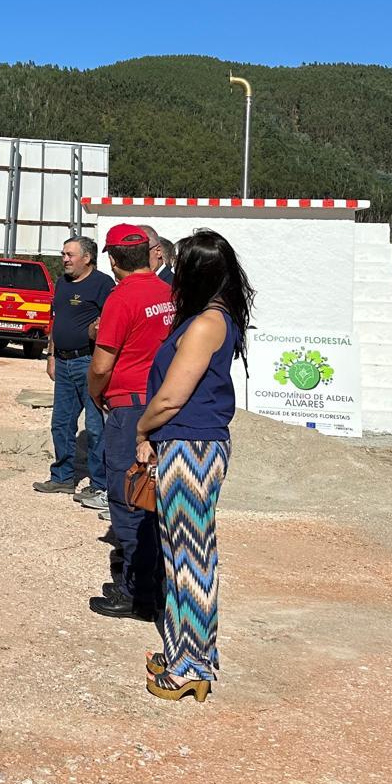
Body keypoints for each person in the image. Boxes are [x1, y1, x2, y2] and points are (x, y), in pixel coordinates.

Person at [137, 229, 251, 702]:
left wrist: (142, 430)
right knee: (180, 551)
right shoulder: (216, 317)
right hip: (194, 445)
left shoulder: (206, 323)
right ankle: (185, 648)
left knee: (191, 558)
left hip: (190, 446)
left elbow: (171, 398)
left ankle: (194, 665)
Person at [86, 224, 175, 621]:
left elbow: (103, 364)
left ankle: (135, 593)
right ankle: (152, 581)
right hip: (164, 406)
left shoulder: (121, 298)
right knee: (154, 497)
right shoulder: (168, 293)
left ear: (113, 259)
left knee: (129, 496)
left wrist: (95, 393)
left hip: (129, 408)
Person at [35, 236, 113, 505]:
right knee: (61, 423)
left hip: (88, 362)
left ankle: (98, 483)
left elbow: (109, 324)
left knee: (94, 427)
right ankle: (63, 477)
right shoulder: (62, 283)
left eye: (70, 255)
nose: (65, 259)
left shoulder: (103, 284)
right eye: (63, 254)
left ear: (87, 258)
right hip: (64, 362)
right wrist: (52, 356)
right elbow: (56, 320)